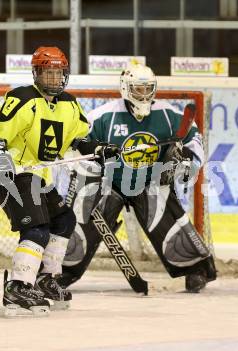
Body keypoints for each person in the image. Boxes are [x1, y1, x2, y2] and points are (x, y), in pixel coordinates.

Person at [0, 46, 119, 316]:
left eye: (59, 73)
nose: (54, 79)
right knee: (37, 229)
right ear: (37, 74)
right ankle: (18, 287)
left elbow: (78, 138)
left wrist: (98, 149)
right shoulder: (21, 98)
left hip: (39, 177)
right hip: (13, 175)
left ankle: (46, 280)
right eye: (48, 73)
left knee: (64, 220)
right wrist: (1, 161)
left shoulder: (69, 103)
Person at [59, 63, 217, 293]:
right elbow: (76, 146)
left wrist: (187, 159)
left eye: (147, 89)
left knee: (167, 217)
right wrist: (90, 165)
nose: (144, 95)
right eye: (138, 89)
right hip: (110, 181)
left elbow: (194, 140)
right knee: (81, 220)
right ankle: (62, 270)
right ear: (125, 88)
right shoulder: (104, 116)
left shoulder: (168, 113)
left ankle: (196, 269)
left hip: (149, 181)